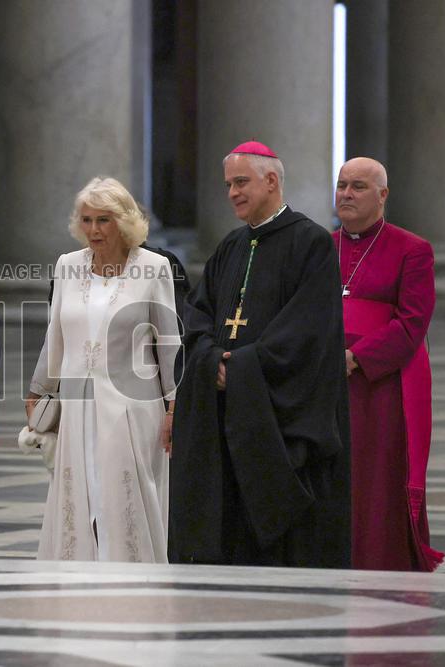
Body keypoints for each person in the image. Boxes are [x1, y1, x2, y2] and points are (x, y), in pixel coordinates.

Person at [169, 141, 351, 568]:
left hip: (278, 417)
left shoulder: (311, 244)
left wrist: (244, 369)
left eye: (241, 182)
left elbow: (308, 329)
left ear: (271, 181)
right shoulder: (231, 247)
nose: (232, 192)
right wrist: (210, 360)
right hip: (226, 409)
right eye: (228, 184)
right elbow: (198, 314)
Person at [27, 176, 180, 563]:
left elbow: (168, 344)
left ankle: (134, 580)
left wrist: (174, 406)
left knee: (123, 494)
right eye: (87, 219)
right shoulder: (67, 266)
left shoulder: (154, 267)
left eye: (104, 220)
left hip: (133, 405)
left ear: (125, 221)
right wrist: (39, 390)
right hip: (78, 401)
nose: (93, 230)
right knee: (81, 492)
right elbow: (55, 334)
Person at [334, 157, 444, 571]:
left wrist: (358, 358)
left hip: (385, 381)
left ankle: (383, 559)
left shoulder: (413, 249)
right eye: (342, 185)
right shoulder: (322, 247)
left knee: (379, 474)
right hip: (328, 376)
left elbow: (413, 322)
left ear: (383, 195)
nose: (346, 193)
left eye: (358, 186)